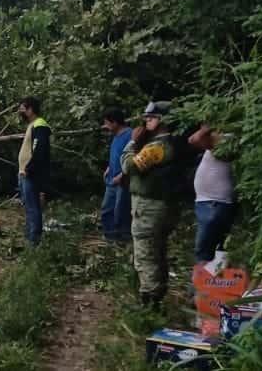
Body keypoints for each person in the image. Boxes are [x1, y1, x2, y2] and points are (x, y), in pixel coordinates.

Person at [121, 101, 177, 305]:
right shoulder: (169, 143)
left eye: (151, 118)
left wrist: (132, 143)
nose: (146, 121)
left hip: (149, 207)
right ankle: (157, 294)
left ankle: (150, 303)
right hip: (160, 205)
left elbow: (129, 166)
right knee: (158, 251)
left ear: (163, 120)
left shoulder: (157, 147)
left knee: (146, 254)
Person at [188, 124, 235, 263]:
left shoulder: (227, 139)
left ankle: (206, 280)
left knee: (204, 249)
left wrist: (206, 128)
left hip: (214, 201)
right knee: (215, 247)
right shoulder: (222, 138)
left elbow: (194, 139)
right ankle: (212, 279)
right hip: (211, 201)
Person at [17, 96, 51, 245]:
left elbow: (39, 150)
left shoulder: (40, 125)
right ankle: (29, 236)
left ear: (30, 109)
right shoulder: (32, 125)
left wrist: (29, 168)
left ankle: (34, 240)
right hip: (24, 172)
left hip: (31, 173)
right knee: (28, 206)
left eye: (23, 108)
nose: (21, 111)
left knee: (33, 207)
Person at [101, 108, 132, 242]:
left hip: (123, 181)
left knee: (121, 211)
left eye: (107, 123)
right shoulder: (115, 136)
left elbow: (132, 158)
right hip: (111, 179)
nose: (105, 126)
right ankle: (110, 237)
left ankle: (123, 239)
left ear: (115, 122)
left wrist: (122, 175)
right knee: (107, 209)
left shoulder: (130, 135)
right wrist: (109, 167)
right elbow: (116, 154)